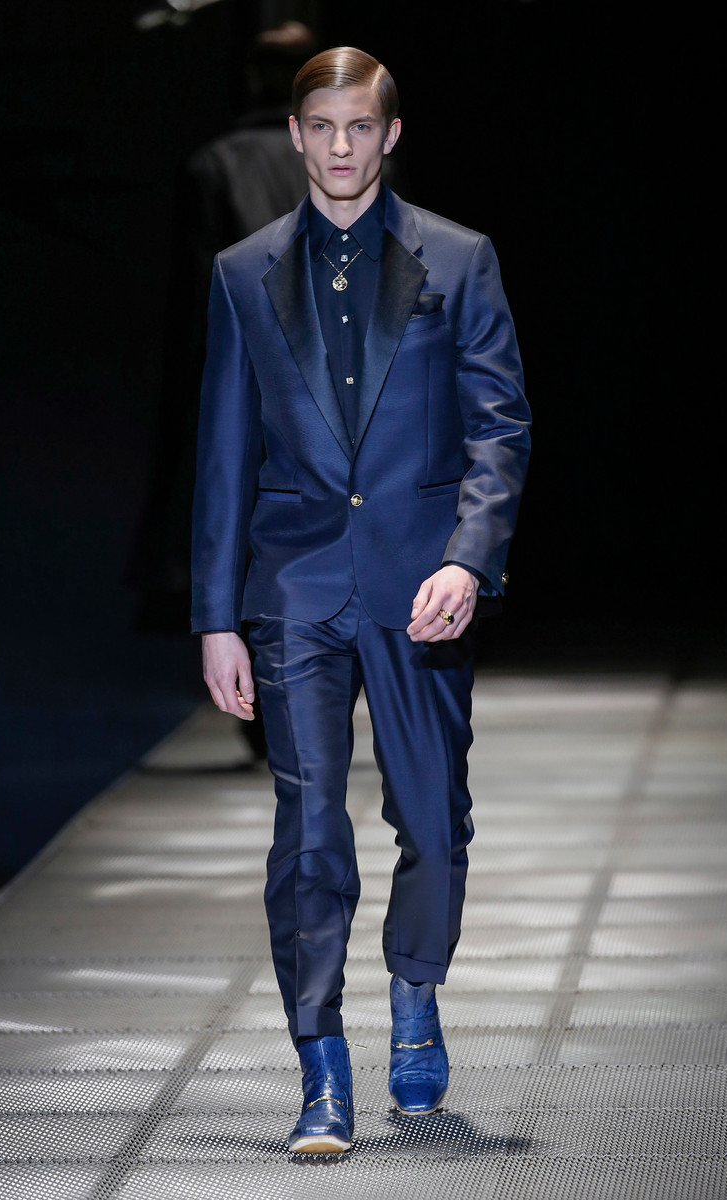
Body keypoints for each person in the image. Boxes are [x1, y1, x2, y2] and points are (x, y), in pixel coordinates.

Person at [191, 46, 531, 1154]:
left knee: (431, 818)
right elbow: (223, 454)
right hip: (295, 583)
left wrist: (467, 560)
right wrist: (215, 616)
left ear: (390, 134)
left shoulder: (459, 259)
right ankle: (321, 1064)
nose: (341, 146)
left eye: (360, 127)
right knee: (307, 829)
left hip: (422, 585)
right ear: (295, 134)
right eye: (322, 126)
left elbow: (499, 427)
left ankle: (415, 994)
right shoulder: (242, 272)